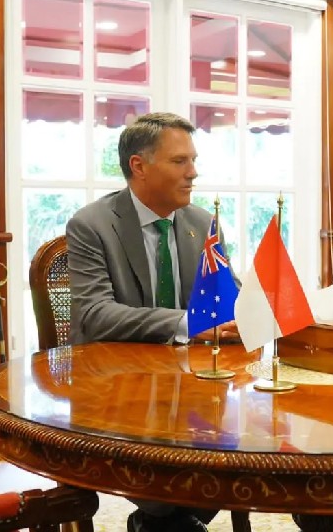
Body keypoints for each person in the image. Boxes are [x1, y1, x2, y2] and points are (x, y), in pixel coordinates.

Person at [67, 112, 237, 532]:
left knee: (240, 457)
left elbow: (228, 297)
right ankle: (166, 516)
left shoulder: (202, 222)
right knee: (175, 490)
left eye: (193, 160)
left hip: (195, 389)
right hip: (120, 391)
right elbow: (94, 314)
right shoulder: (91, 225)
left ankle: (166, 518)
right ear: (138, 166)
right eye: (180, 161)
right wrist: (187, 324)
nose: (193, 172)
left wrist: (253, 310)